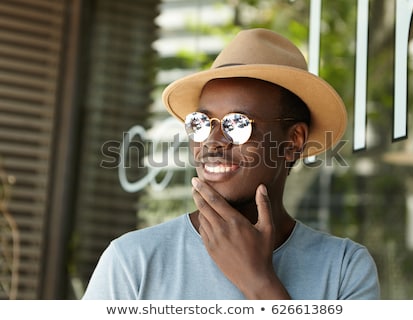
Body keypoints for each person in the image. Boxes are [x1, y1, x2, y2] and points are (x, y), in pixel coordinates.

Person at [82, 28, 380, 299]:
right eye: (200, 122)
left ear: (293, 142)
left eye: (237, 123)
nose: (212, 140)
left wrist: (260, 284)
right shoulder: (131, 261)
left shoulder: (344, 269)